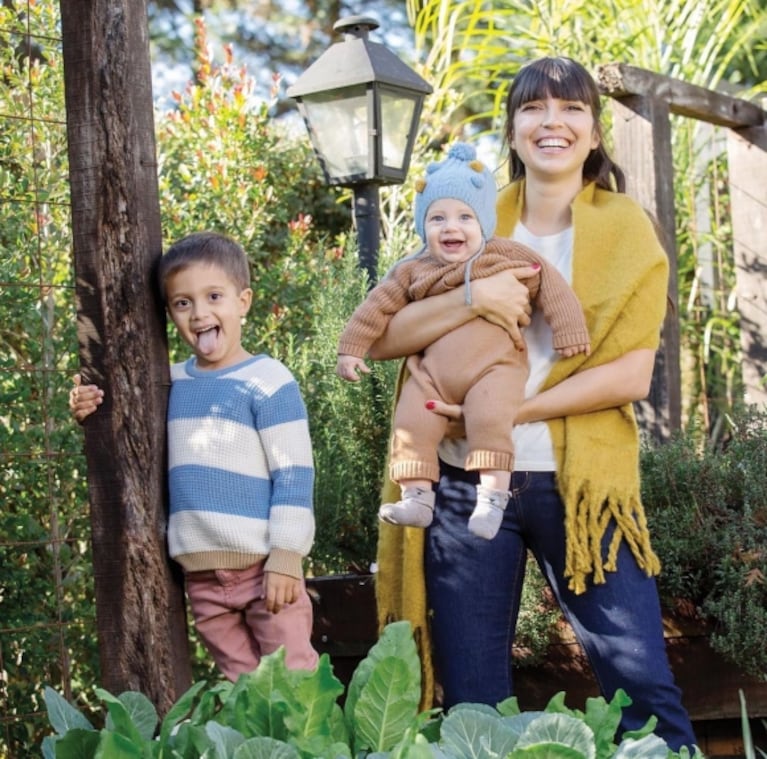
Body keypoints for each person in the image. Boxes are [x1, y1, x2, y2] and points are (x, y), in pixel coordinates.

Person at [374, 57, 698, 752]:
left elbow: (631, 375)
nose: (552, 122)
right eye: (533, 109)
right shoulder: (472, 214)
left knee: (640, 682)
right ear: (513, 132)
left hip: (578, 488)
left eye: (570, 107)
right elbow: (389, 330)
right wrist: (468, 297)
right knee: (471, 698)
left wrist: (508, 412)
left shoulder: (624, 229)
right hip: (462, 487)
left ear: (592, 128)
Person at [70, 232, 318, 680]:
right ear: (169, 313)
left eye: (214, 296)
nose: (200, 313)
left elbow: (294, 475)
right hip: (202, 580)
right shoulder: (166, 382)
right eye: (183, 303)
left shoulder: (269, 381)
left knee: (294, 681)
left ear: (243, 301)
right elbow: (115, 405)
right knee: (243, 690)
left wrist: (287, 556)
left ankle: (319, 752)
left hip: (265, 567)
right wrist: (88, 403)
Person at [337, 142, 589, 540]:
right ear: (423, 227)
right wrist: (350, 348)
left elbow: (551, 285)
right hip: (432, 377)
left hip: (494, 369)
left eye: (464, 217)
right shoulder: (411, 270)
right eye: (437, 218)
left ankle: (491, 499)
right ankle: (417, 497)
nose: (451, 227)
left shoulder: (503, 255)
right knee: (410, 421)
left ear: (484, 222)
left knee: (490, 416)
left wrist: (569, 329)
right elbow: (374, 310)